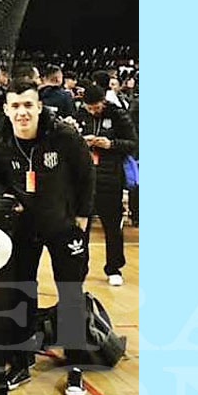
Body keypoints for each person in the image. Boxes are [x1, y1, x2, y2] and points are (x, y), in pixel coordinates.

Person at [0, 79, 95, 390]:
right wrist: (4, 196)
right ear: (6, 109)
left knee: (71, 292)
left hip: (63, 225)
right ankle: (21, 362)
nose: (22, 112)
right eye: (15, 106)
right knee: (21, 291)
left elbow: (86, 173)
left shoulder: (64, 135)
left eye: (28, 105)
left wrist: (83, 216)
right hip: (24, 227)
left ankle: (76, 365)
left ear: (38, 106)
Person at [75, 85, 138, 286]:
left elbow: (132, 143)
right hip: (84, 178)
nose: (93, 111)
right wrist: (81, 141)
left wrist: (111, 144)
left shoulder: (118, 115)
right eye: (90, 108)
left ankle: (114, 267)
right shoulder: (79, 115)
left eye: (97, 107)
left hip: (110, 177)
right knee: (81, 226)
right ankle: (79, 267)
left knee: (112, 226)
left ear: (104, 101)